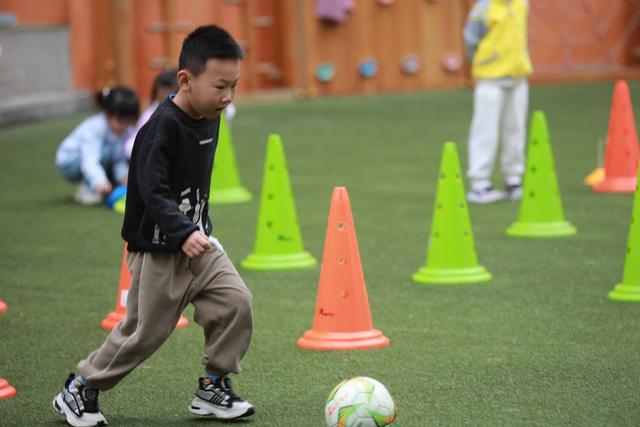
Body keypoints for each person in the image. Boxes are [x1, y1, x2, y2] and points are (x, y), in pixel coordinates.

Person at [52, 25, 254, 426]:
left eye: (234, 85)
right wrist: (183, 232)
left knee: (236, 302)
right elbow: (152, 190)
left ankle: (213, 386)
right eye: (220, 86)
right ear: (185, 79)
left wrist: (197, 230)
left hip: (199, 242)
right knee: (146, 333)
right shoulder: (160, 129)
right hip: (160, 249)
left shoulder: (210, 114)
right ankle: (80, 389)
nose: (228, 97)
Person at [463, 0, 533, 203]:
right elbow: (471, 39)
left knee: (516, 128)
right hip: (490, 79)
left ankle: (513, 178)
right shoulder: (484, 7)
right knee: (485, 130)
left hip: (518, 76)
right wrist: (483, 64)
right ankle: (480, 183)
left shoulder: (521, 3)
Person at [55, 86, 139, 205]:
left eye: (129, 121)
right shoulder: (95, 127)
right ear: (107, 115)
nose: (126, 126)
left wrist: (124, 177)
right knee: (104, 153)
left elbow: (118, 160)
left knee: (111, 154)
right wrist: (100, 181)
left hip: (95, 158)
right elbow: (89, 161)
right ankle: (88, 189)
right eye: (121, 120)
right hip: (69, 162)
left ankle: (100, 184)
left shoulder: (125, 131)